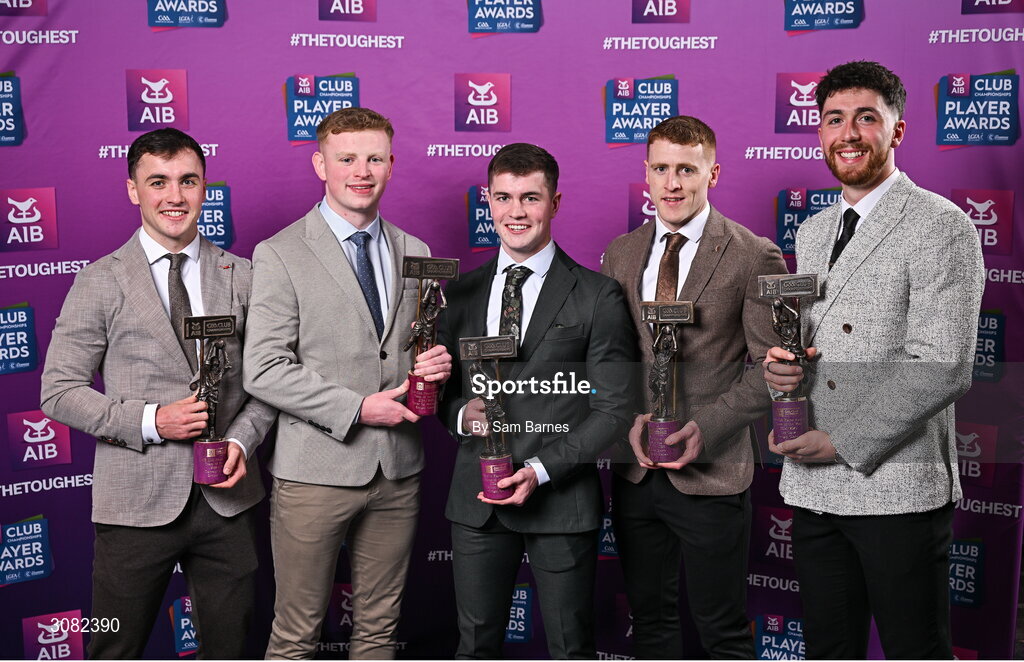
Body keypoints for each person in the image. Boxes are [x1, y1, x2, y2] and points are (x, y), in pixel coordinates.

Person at [762, 61, 984, 659]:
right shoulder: (812, 231)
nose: (849, 133)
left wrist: (843, 441)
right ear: (820, 133)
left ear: (898, 131)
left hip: (895, 489)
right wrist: (785, 370)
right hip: (814, 489)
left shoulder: (943, 226)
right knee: (829, 649)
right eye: (834, 119)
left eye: (866, 117)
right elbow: (819, 343)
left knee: (916, 649)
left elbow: (943, 364)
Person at [40, 128, 276, 659]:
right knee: (111, 648)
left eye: (188, 181)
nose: (175, 196)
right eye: (158, 182)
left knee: (233, 648)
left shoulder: (244, 277)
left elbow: (268, 383)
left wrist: (240, 442)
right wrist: (152, 421)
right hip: (134, 505)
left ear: (205, 187)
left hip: (228, 502)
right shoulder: (100, 280)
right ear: (133, 190)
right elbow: (58, 391)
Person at [242, 107, 451, 659]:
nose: (362, 171)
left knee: (379, 632)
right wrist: (358, 408)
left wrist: (434, 367)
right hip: (315, 471)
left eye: (374, 158)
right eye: (347, 159)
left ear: (391, 165)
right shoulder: (280, 253)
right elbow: (263, 368)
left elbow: (411, 351)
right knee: (295, 635)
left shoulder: (418, 252)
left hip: (399, 469)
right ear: (320, 164)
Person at [437, 143, 637, 658]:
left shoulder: (598, 295)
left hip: (560, 500)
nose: (516, 212)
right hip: (476, 501)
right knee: (474, 644)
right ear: (487, 200)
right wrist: (460, 413)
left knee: (571, 647)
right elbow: (442, 392)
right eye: (503, 198)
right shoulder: (457, 294)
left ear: (555, 202)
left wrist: (541, 471)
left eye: (531, 197)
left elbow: (614, 410)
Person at [601, 116, 786, 659]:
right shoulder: (622, 252)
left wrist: (706, 427)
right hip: (637, 472)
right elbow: (617, 360)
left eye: (687, 169)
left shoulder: (754, 254)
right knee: (651, 623)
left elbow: (769, 368)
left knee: (721, 628)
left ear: (713, 173)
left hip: (714, 473)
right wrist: (630, 419)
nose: (673, 183)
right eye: (661, 169)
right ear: (647, 175)